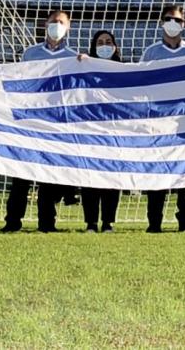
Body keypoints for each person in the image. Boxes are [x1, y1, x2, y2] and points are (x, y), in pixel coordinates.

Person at [2, 9, 78, 232]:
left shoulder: (73, 57)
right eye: (53, 21)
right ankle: (12, 222)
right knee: (21, 176)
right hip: (29, 122)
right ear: (46, 24)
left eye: (61, 22)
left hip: (54, 125)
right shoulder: (30, 54)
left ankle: (47, 223)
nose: (57, 25)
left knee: (48, 176)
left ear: (68, 27)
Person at [139, 4, 185, 232]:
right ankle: (154, 221)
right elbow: (141, 82)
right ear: (161, 22)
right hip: (158, 121)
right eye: (168, 19)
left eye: (177, 19)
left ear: (184, 24)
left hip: (184, 121)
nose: (172, 23)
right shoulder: (151, 52)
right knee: (157, 171)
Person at [80, 30, 123, 233]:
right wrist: (80, 62)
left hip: (115, 132)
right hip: (91, 130)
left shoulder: (125, 70)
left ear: (115, 46)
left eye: (108, 42)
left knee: (112, 177)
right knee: (90, 177)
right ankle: (91, 222)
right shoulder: (84, 69)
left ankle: (108, 222)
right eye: (100, 42)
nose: (104, 45)